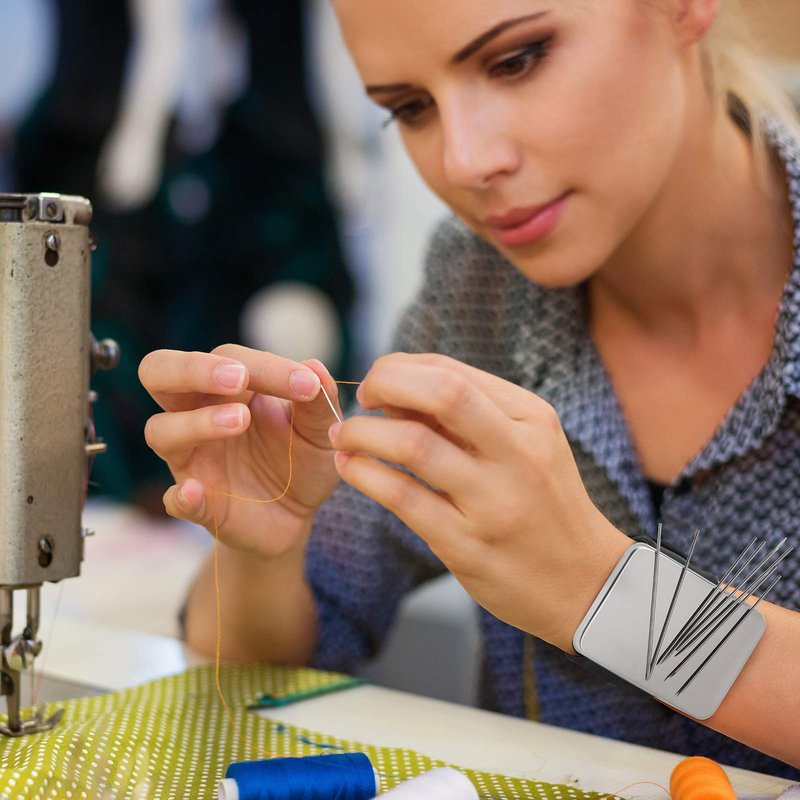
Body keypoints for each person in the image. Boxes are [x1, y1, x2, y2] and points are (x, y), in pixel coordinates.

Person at [139, 0, 800, 776]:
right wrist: (261, 549)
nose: (463, 161)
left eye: (517, 60)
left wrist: (605, 593)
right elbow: (264, 659)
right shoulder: (477, 289)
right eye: (410, 108)